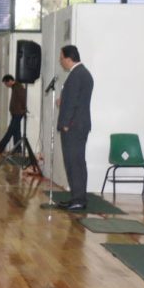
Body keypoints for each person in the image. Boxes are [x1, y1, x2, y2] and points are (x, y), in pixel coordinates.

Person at [55, 45, 94, 211]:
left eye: (61, 57)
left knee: (75, 163)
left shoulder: (78, 75)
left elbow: (73, 104)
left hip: (74, 127)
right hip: (77, 125)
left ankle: (78, 199)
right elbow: (74, 99)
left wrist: (65, 123)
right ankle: (75, 197)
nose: (60, 61)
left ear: (69, 58)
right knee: (72, 162)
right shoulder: (81, 73)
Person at [0, 75, 27, 154]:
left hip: (18, 113)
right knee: (16, 132)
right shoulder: (15, 87)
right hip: (16, 113)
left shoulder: (18, 87)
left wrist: (23, 109)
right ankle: (18, 149)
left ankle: (1, 147)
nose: (6, 85)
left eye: (6, 83)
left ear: (9, 81)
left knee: (10, 131)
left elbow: (23, 98)